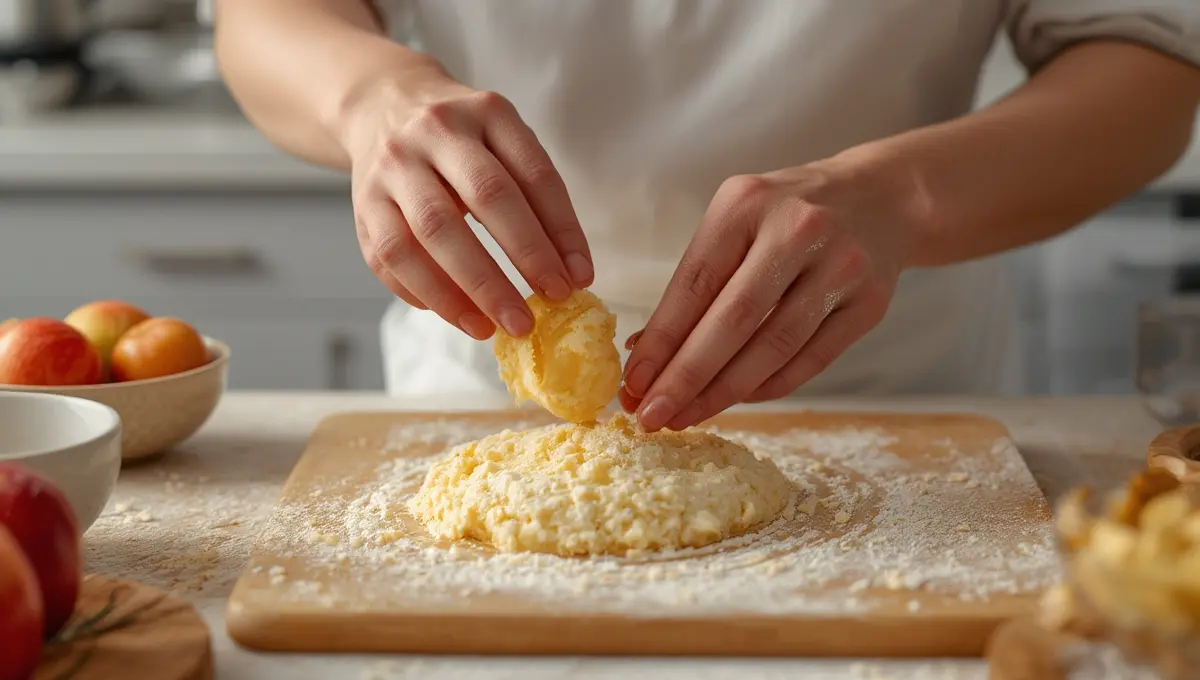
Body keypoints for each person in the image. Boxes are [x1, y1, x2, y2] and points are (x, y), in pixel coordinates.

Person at [214, 1, 1200, 431]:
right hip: (474, 390)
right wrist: (369, 95)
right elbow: (268, 13)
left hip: (900, 395)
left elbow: (1145, 64)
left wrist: (903, 199)